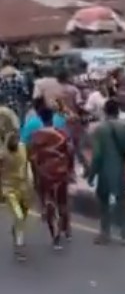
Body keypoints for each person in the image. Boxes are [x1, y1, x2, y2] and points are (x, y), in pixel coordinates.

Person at [87, 98, 125, 245]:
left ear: (105, 111)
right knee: (122, 202)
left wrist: (91, 174)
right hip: (122, 169)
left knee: (104, 202)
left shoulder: (100, 129)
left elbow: (97, 155)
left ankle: (105, 234)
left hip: (105, 171)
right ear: (118, 111)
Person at [28, 105, 73, 250]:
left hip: (45, 174)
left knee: (49, 203)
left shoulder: (36, 136)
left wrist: (36, 175)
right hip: (61, 172)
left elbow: (33, 158)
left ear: (40, 118)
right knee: (63, 203)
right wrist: (70, 169)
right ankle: (66, 230)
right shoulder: (61, 134)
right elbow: (70, 152)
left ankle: (55, 237)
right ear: (52, 118)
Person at [0, 130, 32, 258]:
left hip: (24, 187)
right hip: (10, 189)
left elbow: (27, 164)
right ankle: (19, 246)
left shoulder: (23, 148)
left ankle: (16, 230)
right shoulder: (2, 155)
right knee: (19, 216)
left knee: (23, 215)